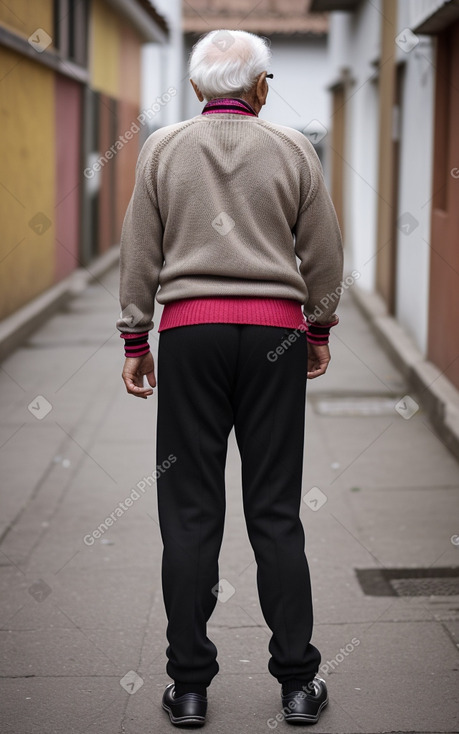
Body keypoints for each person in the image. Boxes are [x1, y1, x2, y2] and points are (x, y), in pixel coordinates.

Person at [117, 29, 343, 728]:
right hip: (273, 336)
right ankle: (297, 682)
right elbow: (324, 254)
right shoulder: (291, 150)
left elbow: (138, 250)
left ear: (194, 90)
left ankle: (188, 687)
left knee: (189, 512)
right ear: (259, 88)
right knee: (274, 512)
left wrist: (135, 338)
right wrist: (316, 330)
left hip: (191, 336)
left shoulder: (162, 149)